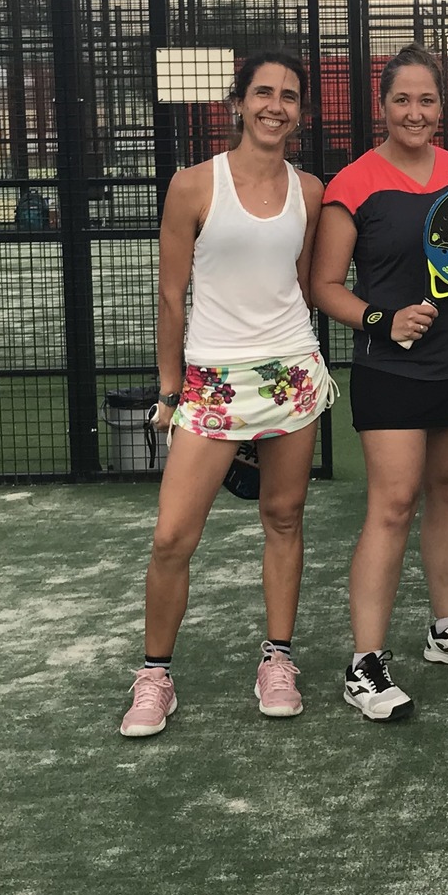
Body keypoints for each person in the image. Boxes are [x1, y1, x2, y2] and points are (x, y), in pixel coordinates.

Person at [311, 45, 448, 723]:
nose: (415, 112)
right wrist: (382, 321)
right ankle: (365, 664)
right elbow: (325, 285)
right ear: (382, 105)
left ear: (444, 107)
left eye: (427, 100)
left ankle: (447, 632)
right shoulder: (352, 184)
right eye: (402, 100)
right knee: (392, 504)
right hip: (390, 371)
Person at [120, 51, 331, 736]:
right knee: (171, 537)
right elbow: (170, 295)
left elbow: (301, 285)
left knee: (284, 517)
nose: (276, 106)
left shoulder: (310, 191)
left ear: (301, 113)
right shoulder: (191, 185)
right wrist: (170, 389)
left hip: (291, 376)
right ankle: (155, 676)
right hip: (211, 383)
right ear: (237, 103)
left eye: (289, 96)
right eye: (263, 93)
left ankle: (278, 660)